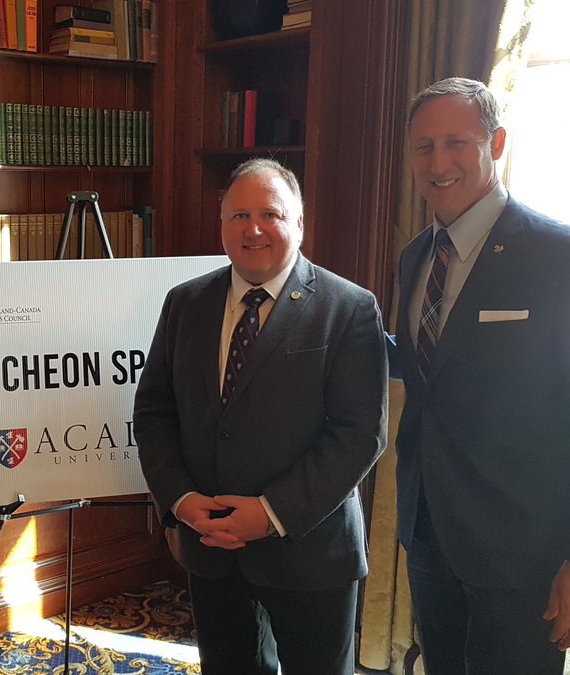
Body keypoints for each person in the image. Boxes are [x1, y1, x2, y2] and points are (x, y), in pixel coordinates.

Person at [391, 77, 570, 674]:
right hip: (431, 534)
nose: (439, 163)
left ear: (497, 143)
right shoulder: (416, 258)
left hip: (527, 555)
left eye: (456, 142)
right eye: (423, 146)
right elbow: (435, 373)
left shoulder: (566, 259)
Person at [133, 158, 388, 675]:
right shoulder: (184, 303)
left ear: (299, 223)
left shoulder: (350, 309)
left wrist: (270, 514)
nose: (253, 229)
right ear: (221, 224)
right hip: (211, 551)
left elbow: (359, 435)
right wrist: (180, 500)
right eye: (238, 215)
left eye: (270, 214)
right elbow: (154, 412)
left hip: (310, 554)